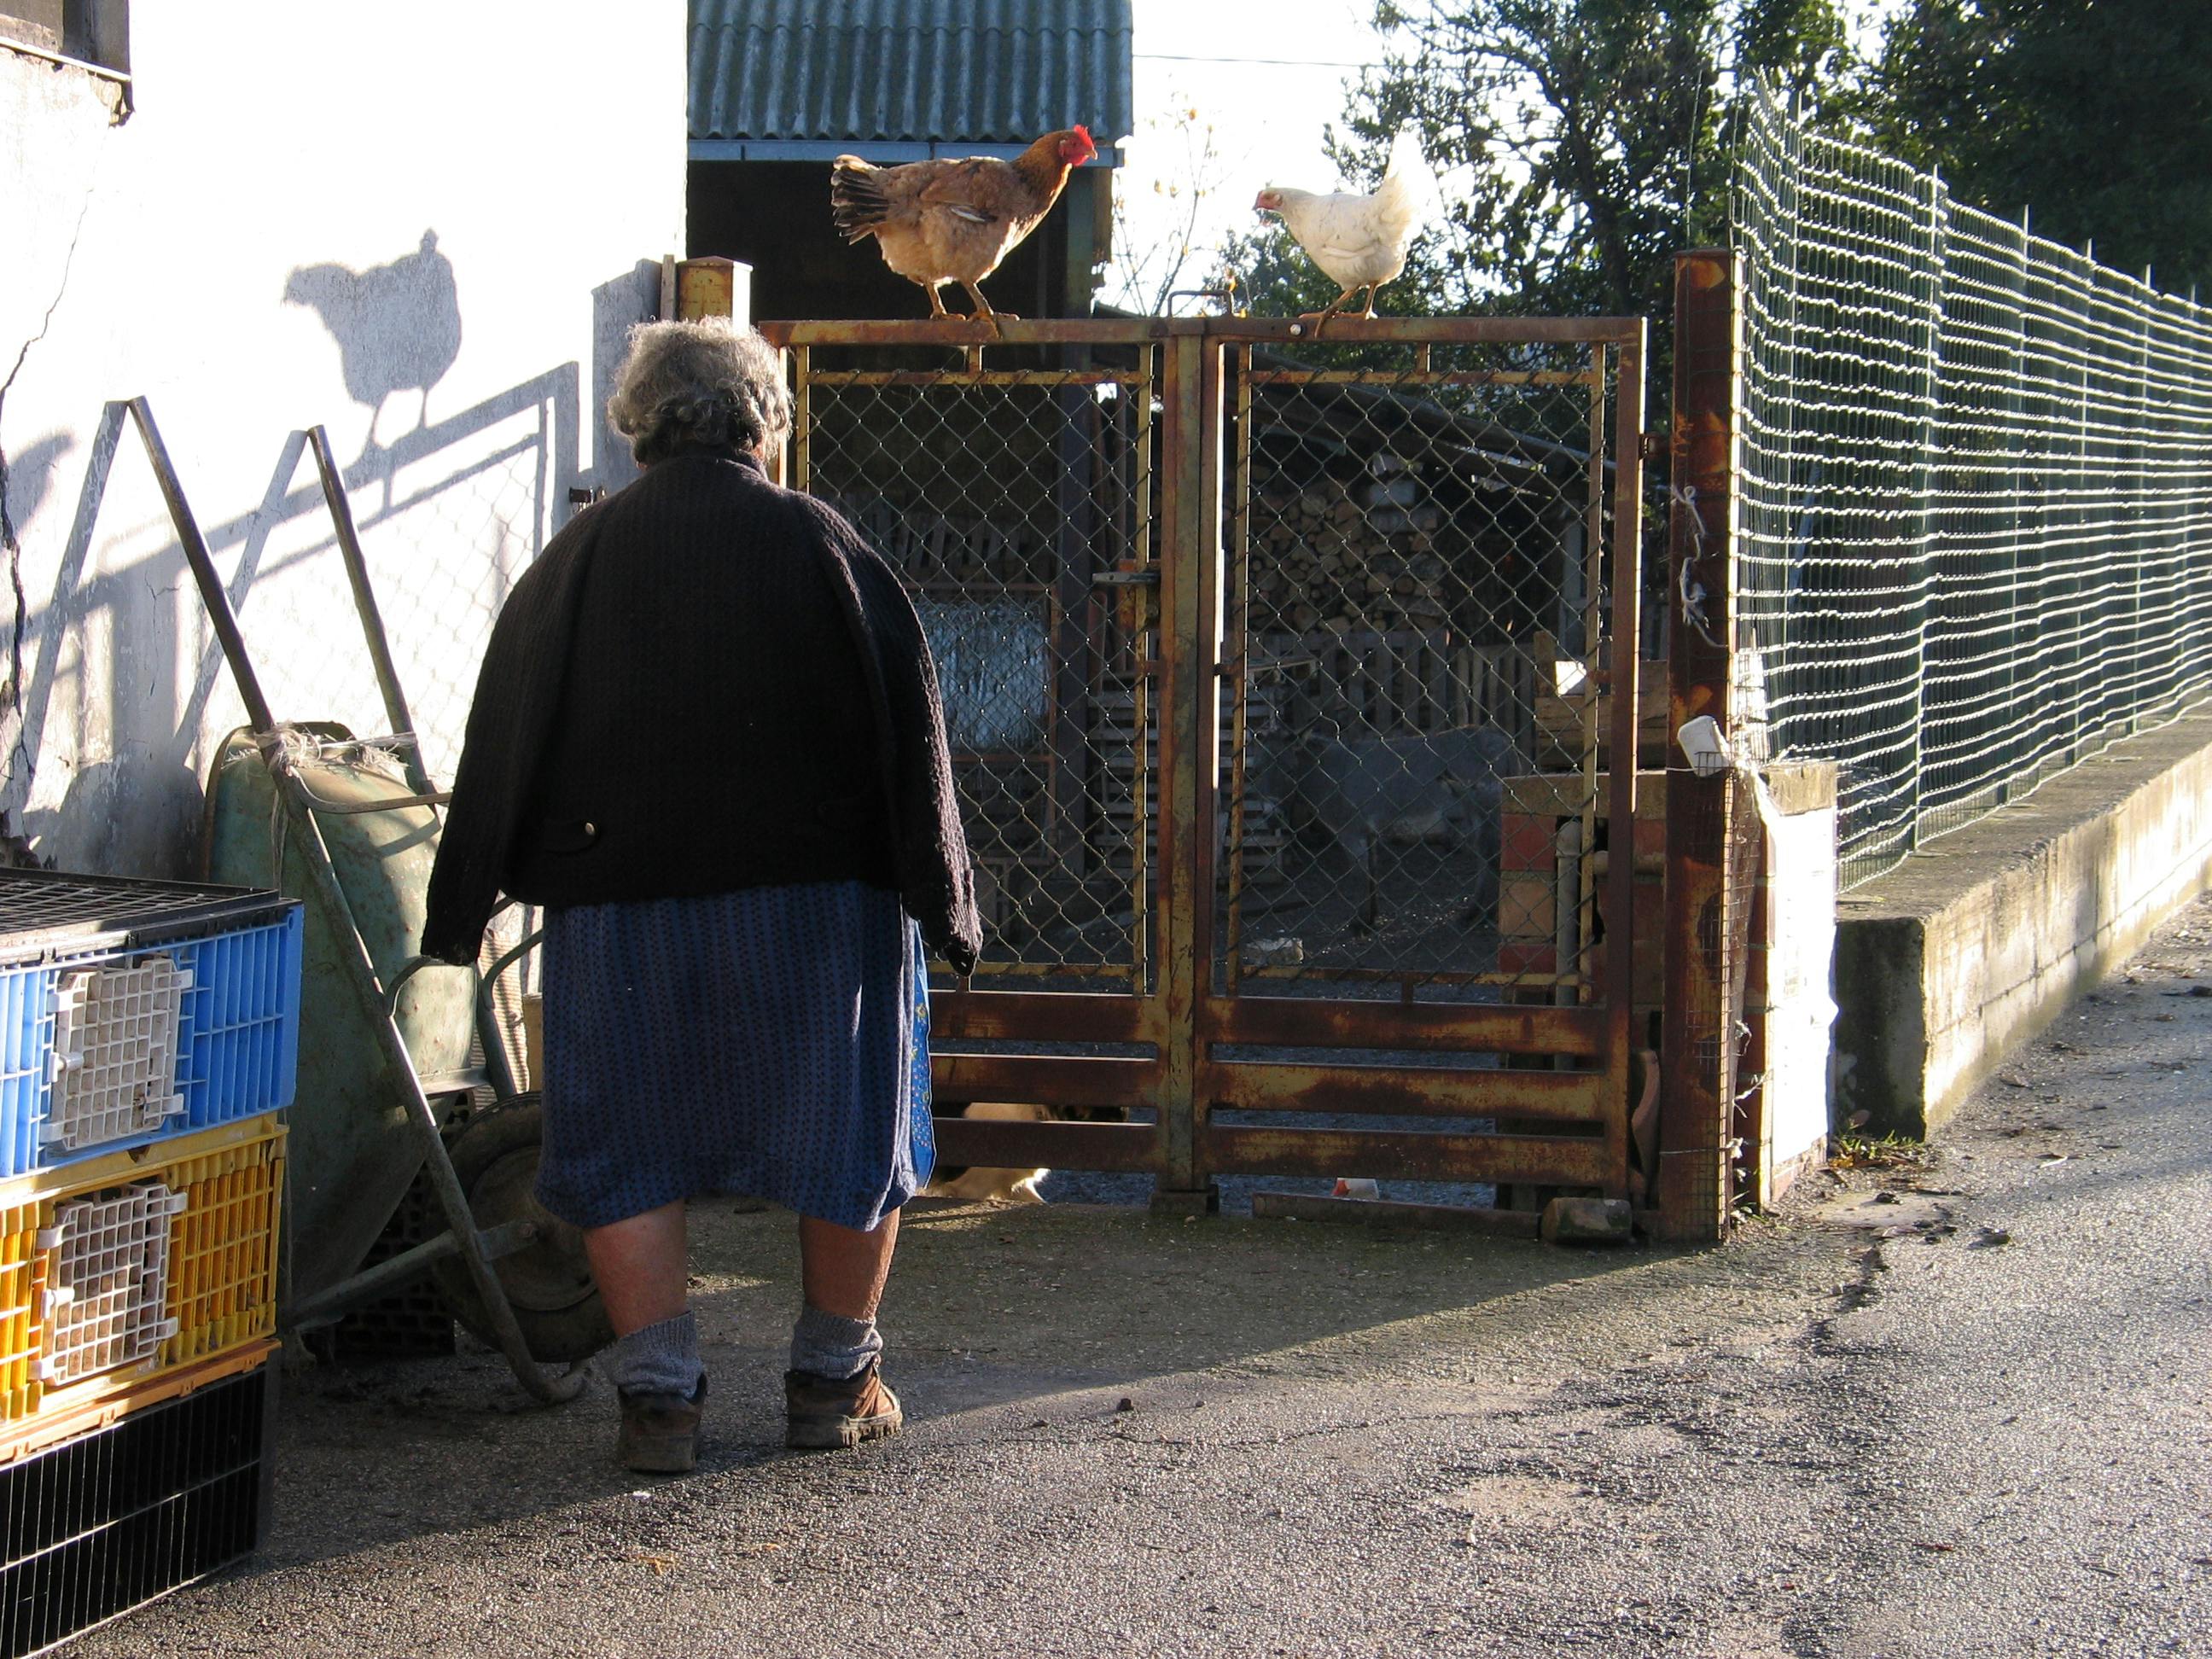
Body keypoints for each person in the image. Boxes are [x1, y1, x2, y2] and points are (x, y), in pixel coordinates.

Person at [422, 318, 981, 1474]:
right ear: (764, 423)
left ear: (635, 430)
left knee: (627, 1143)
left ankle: (660, 1406)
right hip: (822, 906)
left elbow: (503, 734)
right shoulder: (823, 542)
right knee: (845, 1129)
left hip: (621, 902)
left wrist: (462, 904)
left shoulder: (575, 561)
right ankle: (833, 1383)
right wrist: (944, 899)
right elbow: (912, 727)